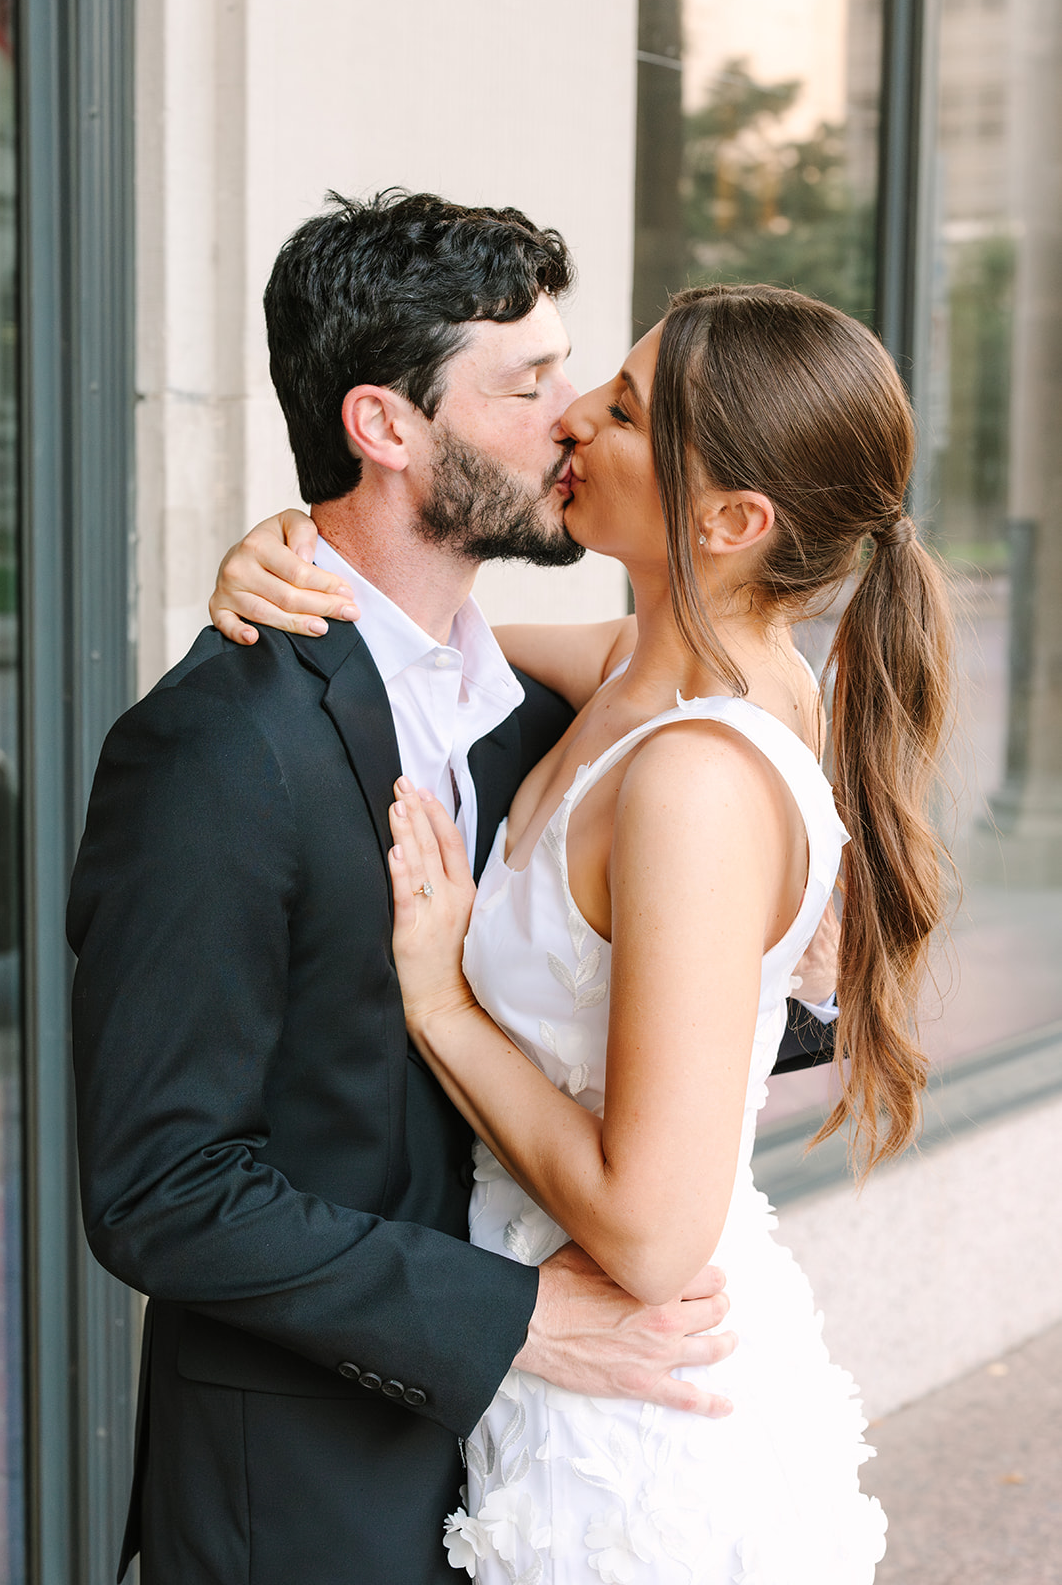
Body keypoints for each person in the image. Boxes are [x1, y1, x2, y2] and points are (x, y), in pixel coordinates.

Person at [69, 192, 828, 1585]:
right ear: (388, 426)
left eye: (582, 379)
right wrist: (515, 1318)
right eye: (531, 383)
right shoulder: (218, 746)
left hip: (554, 1459)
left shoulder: (552, 711)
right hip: (310, 1500)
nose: (575, 419)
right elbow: (160, 1188)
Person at [214, 281, 952, 1582]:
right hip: (541, 1361)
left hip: (632, 1422)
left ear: (729, 520)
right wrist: (287, 551)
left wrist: (442, 1002)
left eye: (623, 411)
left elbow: (653, 1235)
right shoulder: (631, 665)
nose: (572, 423)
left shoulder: (697, 778)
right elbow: (423, 638)